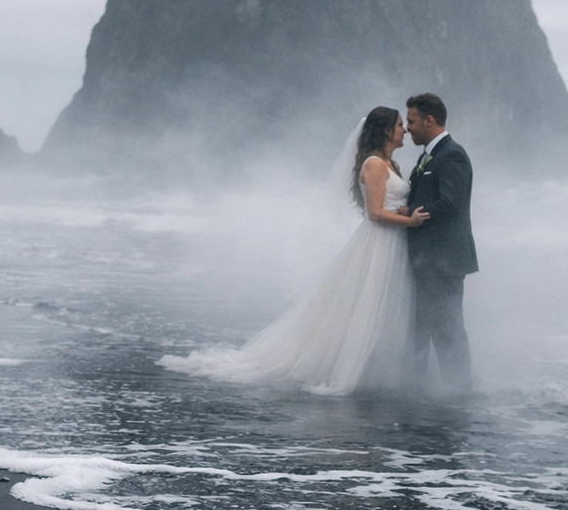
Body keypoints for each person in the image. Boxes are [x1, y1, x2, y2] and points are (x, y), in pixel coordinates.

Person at [160, 106, 427, 394]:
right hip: (379, 244)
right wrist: (408, 220)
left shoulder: (390, 164)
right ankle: (352, 371)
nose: (405, 130)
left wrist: (402, 212)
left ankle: (377, 371)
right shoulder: (375, 164)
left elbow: (387, 204)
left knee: (380, 308)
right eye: (400, 124)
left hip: (392, 243)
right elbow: (374, 213)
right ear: (387, 130)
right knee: (367, 307)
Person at [404, 92, 477, 395]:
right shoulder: (428, 156)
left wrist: (406, 214)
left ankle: (459, 393)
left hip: (444, 262)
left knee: (448, 330)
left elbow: (449, 203)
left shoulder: (452, 155)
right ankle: (417, 391)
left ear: (429, 120)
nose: (407, 128)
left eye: (411, 121)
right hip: (426, 261)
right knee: (421, 328)